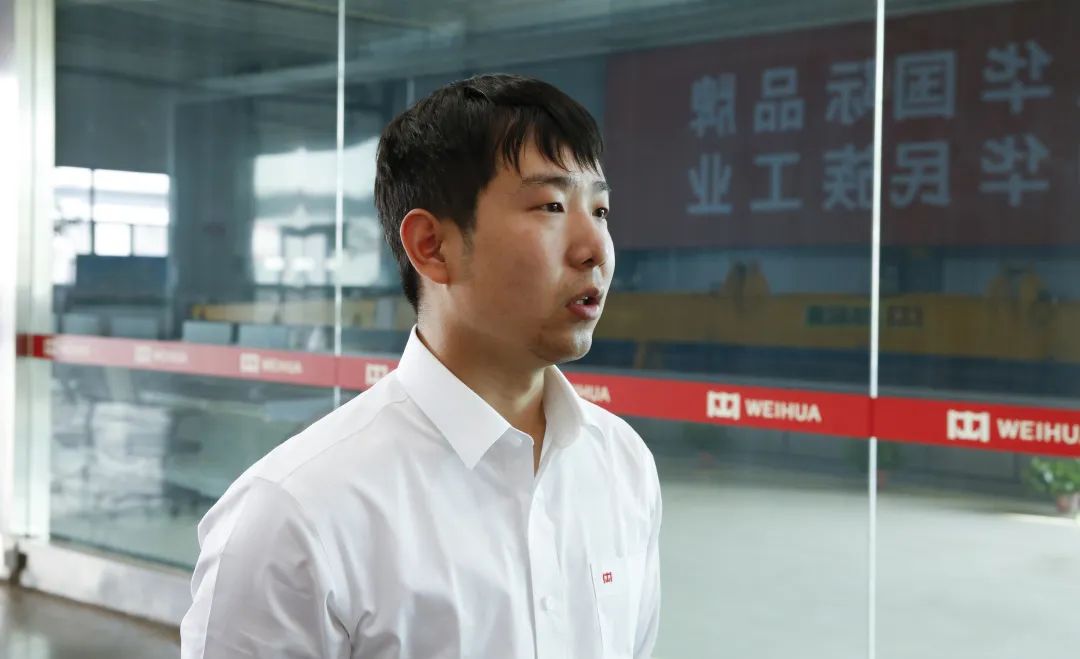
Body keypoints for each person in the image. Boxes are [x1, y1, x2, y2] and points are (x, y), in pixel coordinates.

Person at [180, 73, 662, 659]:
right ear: (431, 246)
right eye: (552, 206)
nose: (595, 249)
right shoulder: (295, 515)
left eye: (601, 209)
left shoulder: (622, 465)